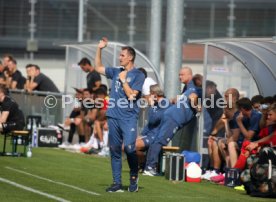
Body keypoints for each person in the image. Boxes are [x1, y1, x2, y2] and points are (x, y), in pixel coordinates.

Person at [94, 37, 145, 192]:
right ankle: (116, 183)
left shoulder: (138, 75)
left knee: (129, 148)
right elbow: (98, 67)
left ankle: (134, 176)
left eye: (122, 55)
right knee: (115, 150)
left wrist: (123, 81)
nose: (119, 57)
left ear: (130, 57)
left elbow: (132, 96)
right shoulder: (117, 71)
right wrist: (100, 48)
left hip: (128, 117)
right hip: (113, 116)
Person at [143, 67, 199, 176]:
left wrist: (193, 103)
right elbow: (191, 98)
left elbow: (192, 96)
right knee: (160, 141)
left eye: (182, 75)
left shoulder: (191, 88)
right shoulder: (188, 88)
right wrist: (197, 106)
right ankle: (150, 167)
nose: (179, 77)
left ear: (190, 76)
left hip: (170, 116)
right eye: (179, 74)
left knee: (157, 140)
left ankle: (148, 167)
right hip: (173, 118)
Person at [135, 84, 170, 171]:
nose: (149, 96)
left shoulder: (165, 104)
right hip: (150, 134)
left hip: (156, 135)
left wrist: (151, 106)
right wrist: (142, 134)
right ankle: (143, 163)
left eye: (150, 94)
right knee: (126, 146)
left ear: (154, 94)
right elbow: (150, 123)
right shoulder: (156, 104)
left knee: (132, 146)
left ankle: (146, 164)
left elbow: (155, 119)